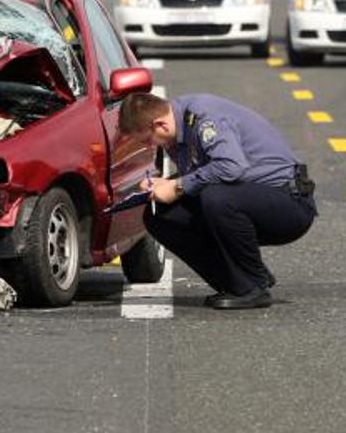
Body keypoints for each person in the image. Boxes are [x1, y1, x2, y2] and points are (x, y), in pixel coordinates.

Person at [117, 92, 317, 310]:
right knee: (159, 215)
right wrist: (164, 184)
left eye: (147, 140)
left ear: (160, 125)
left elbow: (231, 167)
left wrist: (177, 186)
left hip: (289, 204)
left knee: (217, 198)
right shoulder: (177, 129)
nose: (149, 146)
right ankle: (238, 283)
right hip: (250, 198)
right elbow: (202, 173)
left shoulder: (205, 119)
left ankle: (254, 286)